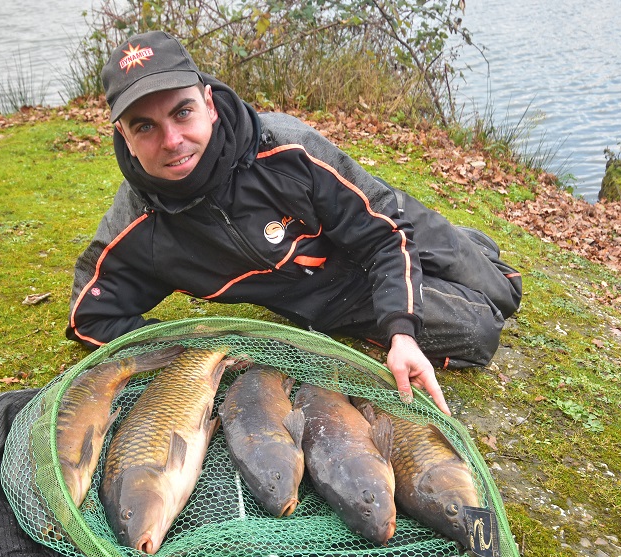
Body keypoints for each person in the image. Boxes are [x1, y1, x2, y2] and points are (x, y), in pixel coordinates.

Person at [66, 31, 523, 416]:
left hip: (375, 226)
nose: (171, 140)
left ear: (208, 103)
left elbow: (382, 235)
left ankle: (458, 246)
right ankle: (423, 278)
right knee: (480, 331)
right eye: (144, 127)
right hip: (328, 294)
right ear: (123, 134)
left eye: (182, 112)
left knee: (505, 289)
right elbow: (89, 317)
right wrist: (185, 355)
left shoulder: (287, 148)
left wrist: (400, 330)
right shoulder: (135, 226)